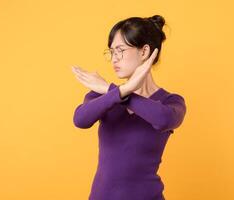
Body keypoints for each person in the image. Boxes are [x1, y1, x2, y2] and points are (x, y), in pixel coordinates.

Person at [71, 15, 186, 200]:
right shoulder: (103, 96)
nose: (114, 59)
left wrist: (115, 90)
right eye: (111, 52)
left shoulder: (170, 101)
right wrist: (119, 91)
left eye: (120, 50)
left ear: (144, 52)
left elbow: (164, 119)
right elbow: (80, 119)